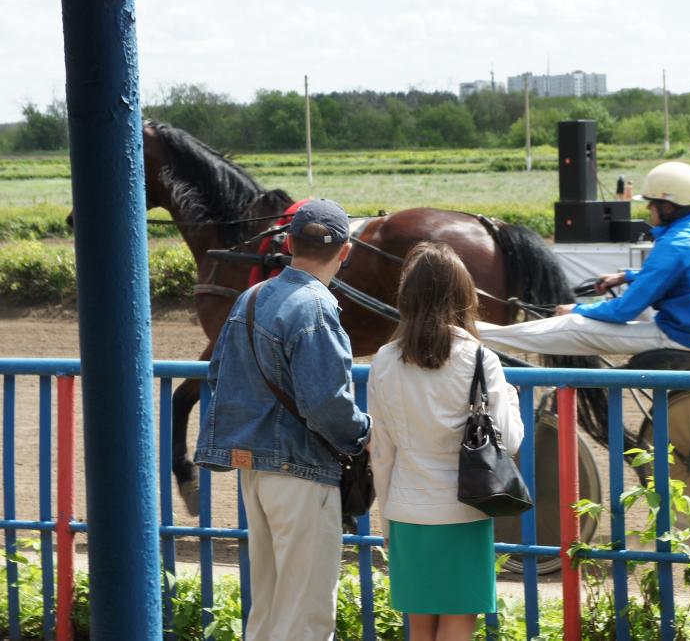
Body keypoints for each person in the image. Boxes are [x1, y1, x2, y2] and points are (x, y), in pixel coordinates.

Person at [196, 199, 372, 641]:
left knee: (270, 606)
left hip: (253, 469)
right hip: (302, 469)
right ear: (345, 251)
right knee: (306, 613)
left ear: (289, 242)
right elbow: (325, 403)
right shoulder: (317, 308)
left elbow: (219, 376)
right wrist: (363, 433)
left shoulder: (250, 298)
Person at [368, 242, 523, 641]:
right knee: (458, 621)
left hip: (406, 507)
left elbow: (380, 449)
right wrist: (512, 400)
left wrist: (386, 516)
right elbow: (509, 440)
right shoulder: (478, 357)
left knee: (420, 626)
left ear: (407, 297)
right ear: (463, 295)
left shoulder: (384, 359)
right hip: (464, 509)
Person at [478, 161, 690, 357]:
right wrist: (626, 276)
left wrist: (577, 309)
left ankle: (479, 334)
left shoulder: (675, 245)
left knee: (571, 325)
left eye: (652, 204)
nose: (648, 209)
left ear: (668, 207)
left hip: (681, 338)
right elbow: (681, 274)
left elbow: (623, 311)